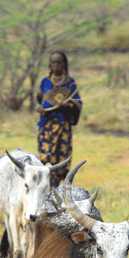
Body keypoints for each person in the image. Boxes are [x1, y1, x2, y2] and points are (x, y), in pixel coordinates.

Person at [37, 51, 81, 185]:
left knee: (63, 160)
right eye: (53, 62)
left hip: (63, 127)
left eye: (59, 62)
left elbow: (78, 103)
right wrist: (38, 107)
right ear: (50, 64)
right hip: (46, 127)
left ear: (64, 64)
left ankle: (61, 189)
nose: (56, 65)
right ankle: (48, 188)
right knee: (47, 160)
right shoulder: (45, 82)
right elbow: (38, 100)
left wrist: (68, 105)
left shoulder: (70, 83)